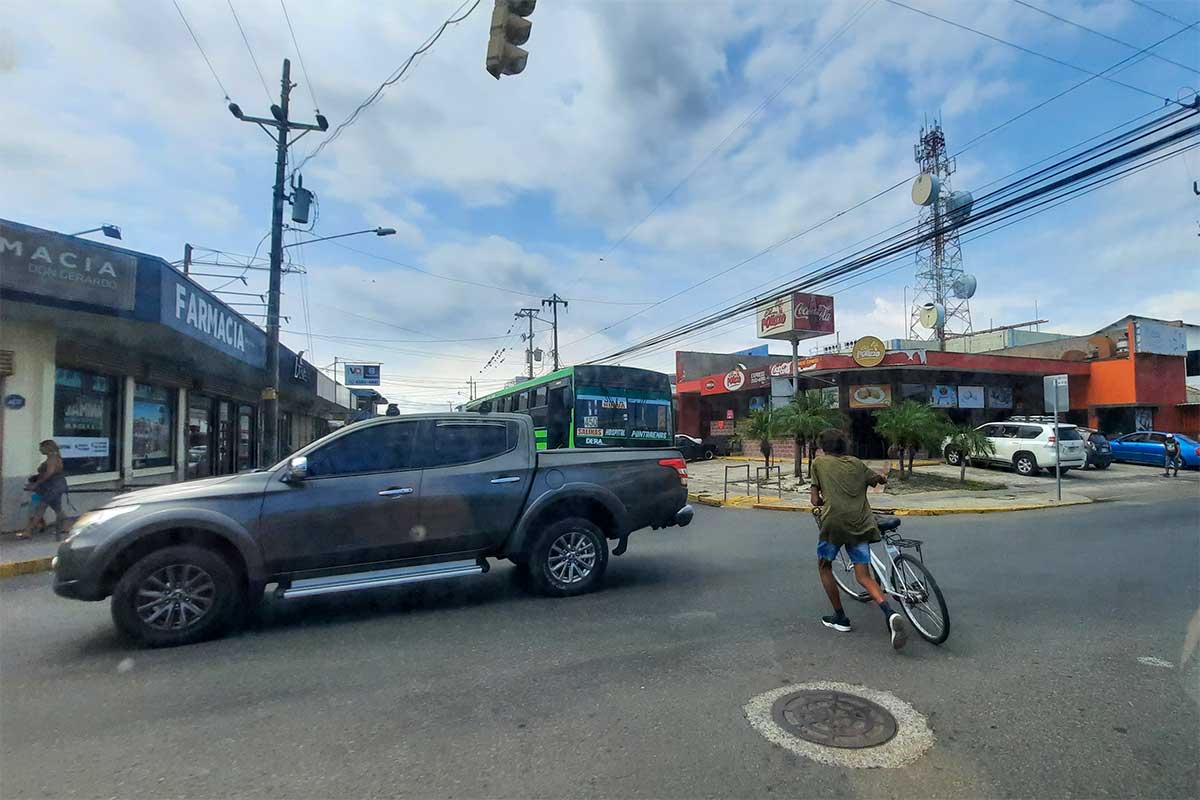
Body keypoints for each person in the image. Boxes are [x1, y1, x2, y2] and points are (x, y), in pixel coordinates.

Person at [810, 428, 909, 650]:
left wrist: (820, 500)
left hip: (834, 525)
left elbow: (815, 499)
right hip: (861, 523)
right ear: (844, 445)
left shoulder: (819, 464)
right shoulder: (856, 463)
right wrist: (882, 477)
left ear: (823, 447)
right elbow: (877, 479)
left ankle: (840, 618)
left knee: (824, 566)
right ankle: (889, 612)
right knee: (863, 575)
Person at [19, 439, 68, 540]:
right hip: (56, 486)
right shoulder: (56, 456)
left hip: (52, 487)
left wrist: (36, 484)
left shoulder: (52, 458)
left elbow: (49, 473)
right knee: (57, 508)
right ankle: (66, 526)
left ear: (46, 447)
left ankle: (28, 531)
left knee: (41, 507)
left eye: (41, 448)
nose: (39, 450)